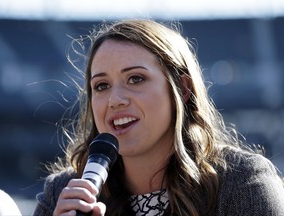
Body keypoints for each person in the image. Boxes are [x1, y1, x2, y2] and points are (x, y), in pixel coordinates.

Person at [33, 19, 284, 216]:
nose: (115, 99)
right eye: (101, 86)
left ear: (183, 89)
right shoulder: (62, 193)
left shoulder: (240, 183)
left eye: (136, 79)